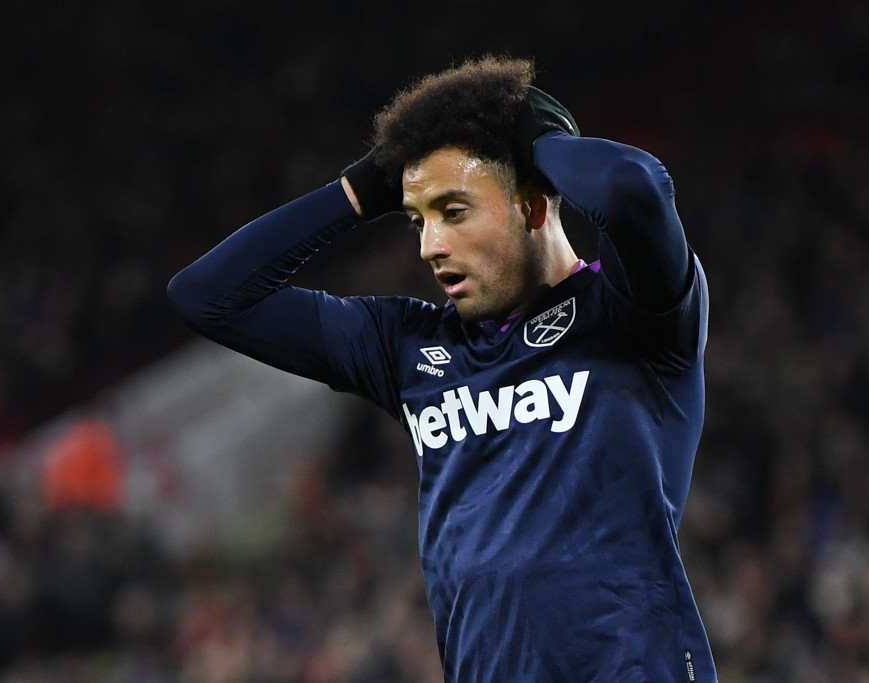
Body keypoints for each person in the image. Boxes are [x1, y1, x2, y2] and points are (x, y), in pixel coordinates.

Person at [168, 55, 717, 682]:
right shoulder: (406, 346)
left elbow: (632, 189)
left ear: (534, 206)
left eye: (453, 212)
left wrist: (535, 136)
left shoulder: (631, 317)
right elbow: (207, 297)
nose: (430, 246)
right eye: (417, 219)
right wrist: (356, 192)